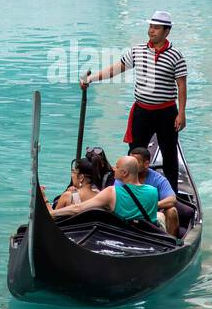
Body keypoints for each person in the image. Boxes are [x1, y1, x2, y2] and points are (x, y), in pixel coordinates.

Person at [80, 10, 187, 196]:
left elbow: (181, 85)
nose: (151, 31)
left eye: (156, 28)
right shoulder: (137, 50)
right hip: (142, 112)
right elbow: (116, 69)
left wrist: (182, 113)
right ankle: (129, 193)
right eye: (150, 27)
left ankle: (171, 196)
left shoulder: (176, 55)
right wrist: (92, 79)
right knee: (133, 155)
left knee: (170, 156)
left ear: (166, 31)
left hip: (167, 113)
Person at [48, 156, 159, 227]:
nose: (113, 168)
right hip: (148, 234)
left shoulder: (111, 192)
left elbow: (78, 208)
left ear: (124, 173)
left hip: (124, 234)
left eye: (117, 166)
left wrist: (52, 213)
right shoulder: (154, 191)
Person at [128, 145, 180, 236]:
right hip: (130, 213)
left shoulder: (158, 179)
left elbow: (172, 200)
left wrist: (149, 206)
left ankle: (171, 241)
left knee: (172, 211)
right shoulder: (123, 174)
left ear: (146, 164)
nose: (131, 166)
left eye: (135, 163)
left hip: (153, 214)